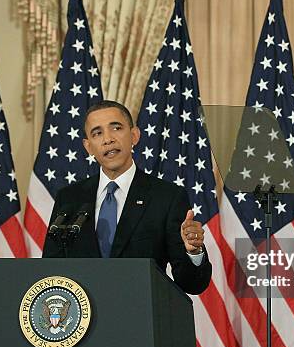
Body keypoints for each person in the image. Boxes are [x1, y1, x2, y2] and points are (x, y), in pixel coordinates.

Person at [42, 100, 212, 295]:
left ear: (134, 135)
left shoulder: (167, 197)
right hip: (81, 318)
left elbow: (192, 284)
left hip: (141, 317)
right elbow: (50, 270)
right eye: (97, 133)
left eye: (116, 128)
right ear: (88, 146)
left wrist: (193, 251)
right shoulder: (70, 198)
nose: (108, 139)